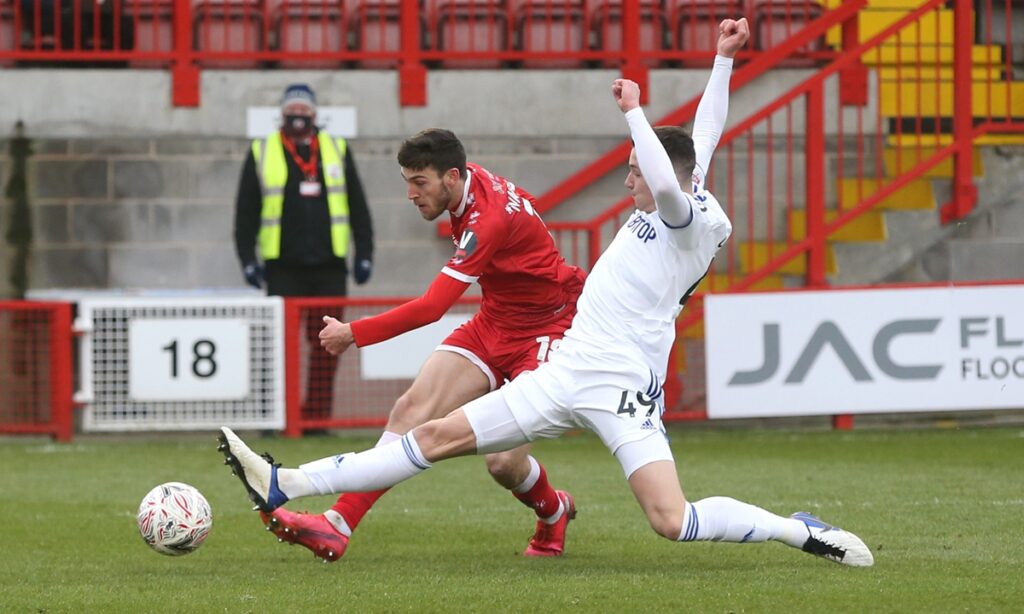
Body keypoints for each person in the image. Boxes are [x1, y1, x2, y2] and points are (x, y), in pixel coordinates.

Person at [219, 18, 874, 568]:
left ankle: (797, 529)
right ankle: (288, 482)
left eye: (633, 174)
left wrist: (634, 111)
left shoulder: (685, 220)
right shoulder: (680, 184)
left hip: (622, 382)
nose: (627, 186)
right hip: (568, 367)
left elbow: (669, 182)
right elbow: (704, 134)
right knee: (434, 433)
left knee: (670, 520)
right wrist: (723, 61)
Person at [246, 128, 587, 562]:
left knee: (503, 464)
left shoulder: (489, 219)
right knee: (410, 410)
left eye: (418, 182)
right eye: (406, 180)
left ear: (450, 177)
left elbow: (432, 308)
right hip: (495, 322)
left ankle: (553, 511)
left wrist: (354, 333)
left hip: (547, 332)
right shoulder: (467, 181)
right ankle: (337, 524)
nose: (410, 193)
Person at [234, 83, 375, 421]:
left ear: (314, 116)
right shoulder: (262, 150)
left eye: (304, 113)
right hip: (282, 268)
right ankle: (277, 417)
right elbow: (245, 213)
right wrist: (248, 260)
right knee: (278, 347)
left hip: (329, 267)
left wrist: (365, 253)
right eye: (291, 113)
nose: (298, 118)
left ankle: (315, 418)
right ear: (281, 116)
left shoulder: (336, 149)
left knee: (328, 345)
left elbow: (358, 207)